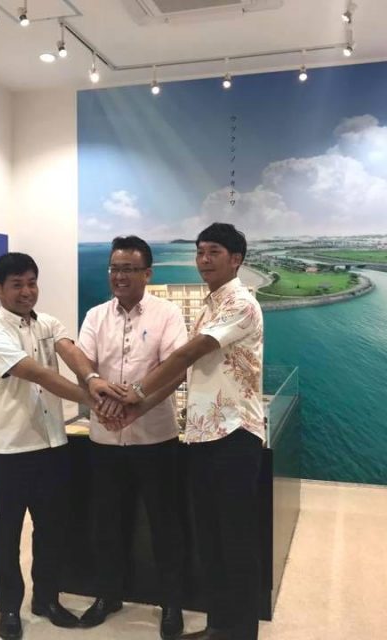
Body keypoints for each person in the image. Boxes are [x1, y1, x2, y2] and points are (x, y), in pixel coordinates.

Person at [124, 223, 265, 640]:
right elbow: (186, 372)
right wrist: (138, 409)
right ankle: (219, 626)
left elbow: (187, 354)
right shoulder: (209, 305)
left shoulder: (242, 303)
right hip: (202, 436)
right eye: (200, 252)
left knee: (236, 542)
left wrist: (136, 390)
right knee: (211, 540)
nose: (203, 260)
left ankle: (241, 633)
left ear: (236, 259)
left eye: (214, 252)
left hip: (235, 435)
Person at [0, 252, 124, 640]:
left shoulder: (47, 323)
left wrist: (91, 378)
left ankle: (46, 599)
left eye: (32, 283)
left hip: (53, 444)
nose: (27, 291)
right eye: (17, 285)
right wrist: (92, 398)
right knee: (7, 533)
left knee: (51, 529)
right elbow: (38, 374)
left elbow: (70, 351)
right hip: (11, 449)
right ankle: (9, 609)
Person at [77, 235, 188, 640]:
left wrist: (137, 403)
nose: (119, 276)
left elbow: (176, 369)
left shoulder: (167, 314)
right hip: (105, 440)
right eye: (114, 268)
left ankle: (171, 602)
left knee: (165, 523)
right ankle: (108, 595)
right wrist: (98, 393)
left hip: (155, 438)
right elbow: (84, 365)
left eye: (128, 269)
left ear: (147, 273)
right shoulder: (95, 316)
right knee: (107, 523)